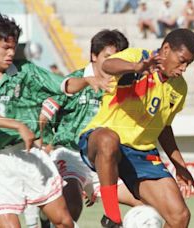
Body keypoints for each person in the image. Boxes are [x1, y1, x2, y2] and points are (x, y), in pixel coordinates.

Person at [0, 13, 99, 228]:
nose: (11, 53)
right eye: (5, 48)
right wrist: (18, 125)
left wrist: (86, 81)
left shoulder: (25, 70)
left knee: (64, 222)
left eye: (13, 47)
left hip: (27, 153)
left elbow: (62, 85)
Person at [78, 28, 194, 227]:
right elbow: (108, 65)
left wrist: (179, 165)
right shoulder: (139, 56)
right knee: (109, 139)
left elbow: (164, 128)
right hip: (101, 140)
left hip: (141, 154)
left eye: (189, 63)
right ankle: (112, 218)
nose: (184, 68)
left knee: (179, 217)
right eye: (182, 60)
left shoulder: (179, 88)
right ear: (166, 49)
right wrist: (137, 67)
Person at [28, 29, 142, 228]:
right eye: (107, 57)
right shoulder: (76, 81)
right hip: (70, 155)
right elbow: (43, 117)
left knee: (146, 203)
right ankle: (47, 217)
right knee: (72, 205)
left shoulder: (123, 85)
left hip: (105, 160)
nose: (110, 63)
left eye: (117, 58)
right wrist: (43, 143)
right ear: (94, 56)